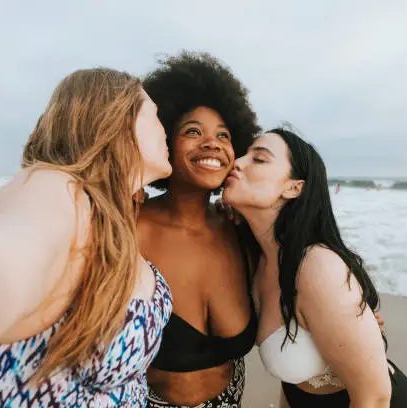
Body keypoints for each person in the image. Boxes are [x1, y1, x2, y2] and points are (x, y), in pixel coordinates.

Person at [0, 68, 173, 407]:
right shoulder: (57, 189)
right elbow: (9, 257)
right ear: (117, 119)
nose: (166, 127)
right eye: (155, 115)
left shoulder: (112, 215)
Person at [222, 127, 407, 407]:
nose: (238, 162)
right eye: (243, 155)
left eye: (259, 159)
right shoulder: (259, 261)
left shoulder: (317, 267)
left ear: (293, 187)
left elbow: (374, 398)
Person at [139, 51, 260, 408]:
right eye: (193, 131)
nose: (213, 144)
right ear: (164, 142)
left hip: (230, 398)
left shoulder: (242, 231)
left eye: (224, 135)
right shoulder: (129, 228)